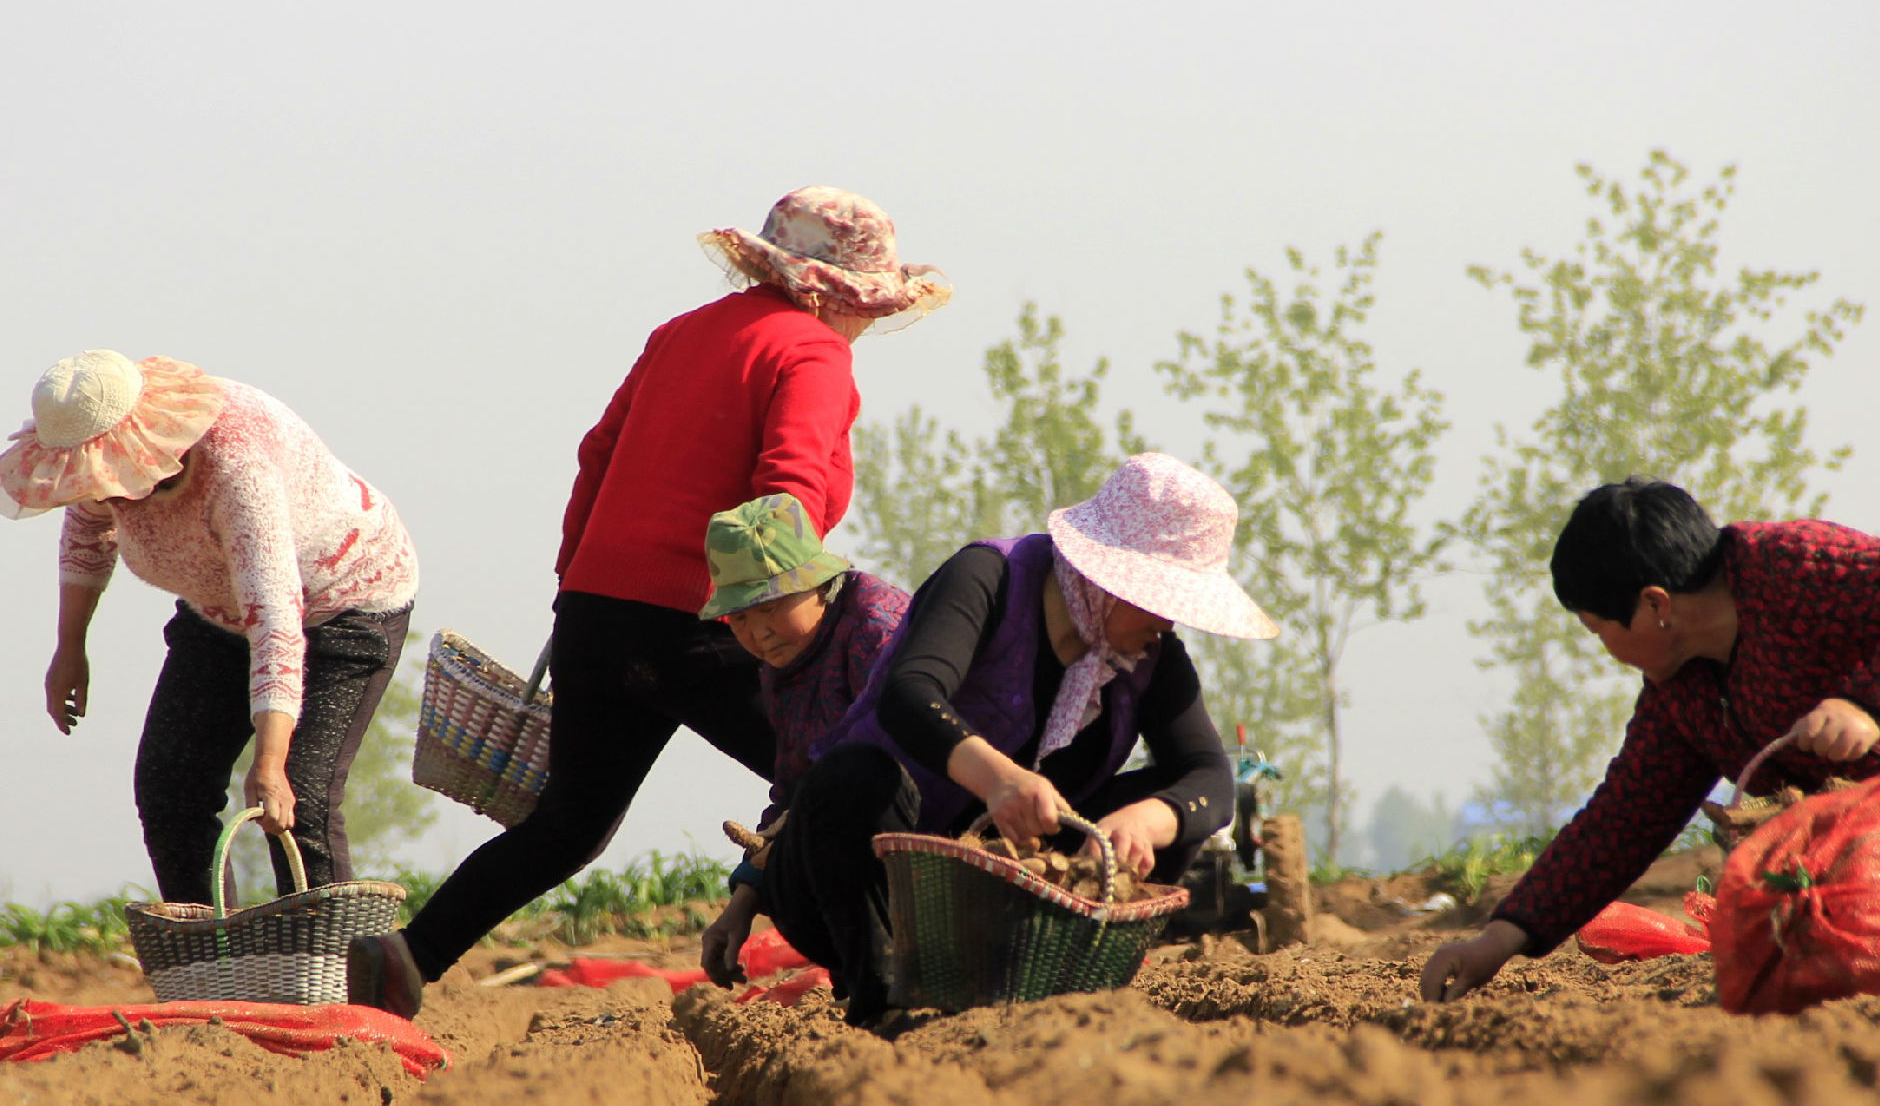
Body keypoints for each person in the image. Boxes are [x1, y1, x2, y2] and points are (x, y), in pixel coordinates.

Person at [353, 187, 948, 1013]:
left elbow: (597, 457)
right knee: (853, 777)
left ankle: (407, 956)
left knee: (567, 823)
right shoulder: (812, 352)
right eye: (862, 307)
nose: (864, 325)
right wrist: (788, 612)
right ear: (826, 291)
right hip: (713, 616)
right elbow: (790, 492)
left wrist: (574, 591)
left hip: (599, 608)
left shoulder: (680, 334)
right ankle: (883, 983)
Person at [1418, 482, 1880, 1002]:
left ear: (1656, 605)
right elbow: (1622, 817)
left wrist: (1868, 706)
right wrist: (1503, 936)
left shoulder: (1786, 566)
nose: (1605, 649)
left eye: (1600, 629)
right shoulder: (1680, 697)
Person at [767, 452, 1273, 1027]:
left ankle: (1067, 986)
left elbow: (1211, 779)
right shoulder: (989, 578)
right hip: (861, 870)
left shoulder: (1149, 657)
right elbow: (910, 694)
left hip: (997, 891)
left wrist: (1142, 822)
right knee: (858, 774)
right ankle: (883, 997)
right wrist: (1000, 782)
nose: (1170, 623)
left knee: (1172, 801)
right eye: (1164, 602)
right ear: (1110, 578)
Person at [0, 349, 417, 930]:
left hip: (342, 602)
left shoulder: (238, 468)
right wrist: (70, 646)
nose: (100, 491)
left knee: (299, 799)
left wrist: (269, 760)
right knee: (170, 786)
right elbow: (88, 533)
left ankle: (336, 985)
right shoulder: (101, 474)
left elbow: (275, 617)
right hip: (218, 613)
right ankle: (219, 969)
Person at [692, 494, 913, 985]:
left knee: (852, 784)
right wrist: (741, 904)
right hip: (862, 855)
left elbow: (909, 764)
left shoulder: (876, 629)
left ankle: (885, 980)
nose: (758, 632)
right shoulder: (785, 664)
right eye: (741, 617)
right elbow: (794, 784)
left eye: (770, 606)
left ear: (817, 585)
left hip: (928, 843)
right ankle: (866, 975)